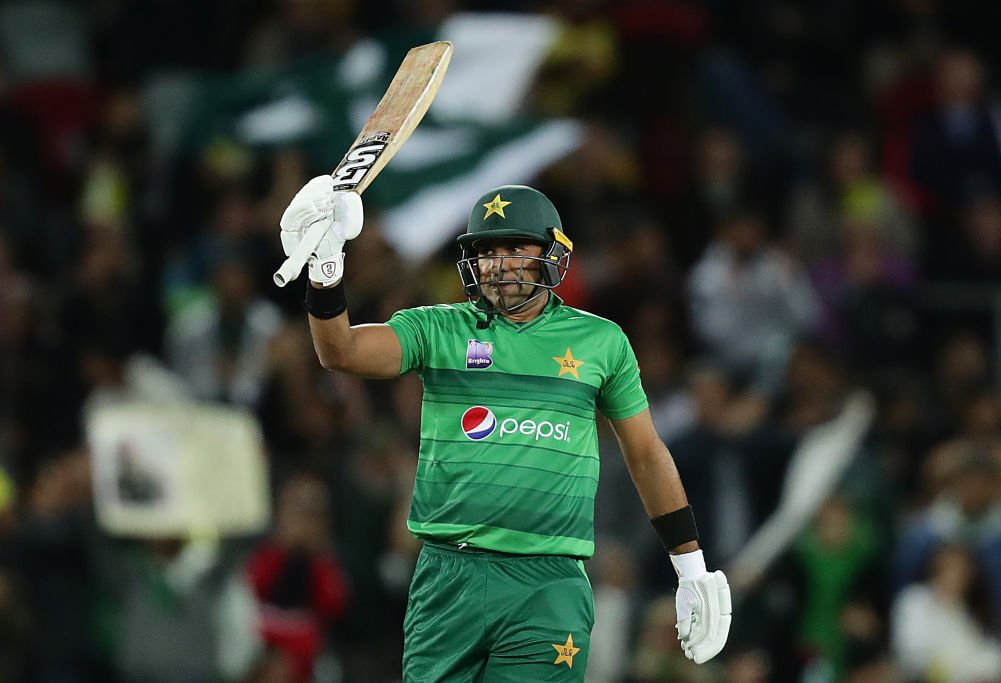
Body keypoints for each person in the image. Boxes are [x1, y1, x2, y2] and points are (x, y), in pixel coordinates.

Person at [277, 177, 732, 680]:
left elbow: (645, 454)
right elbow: (340, 351)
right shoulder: (438, 328)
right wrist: (325, 270)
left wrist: (691, 568)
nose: (498, 263)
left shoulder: (601, 342)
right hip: (448, 577)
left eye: (515, 248)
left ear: (553, 254)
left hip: (549, 584)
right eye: (487, 251)